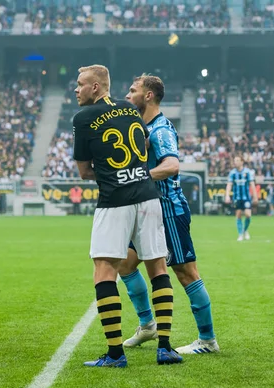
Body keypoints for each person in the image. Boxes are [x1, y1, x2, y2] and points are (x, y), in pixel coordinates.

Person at [72, 65, 182, 367]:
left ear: (96, 87)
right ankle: (165, 347)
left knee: (104, 269)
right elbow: (144, 144)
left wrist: (112, 173)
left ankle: (115, 353)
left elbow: (84, 172)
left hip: (114, 199)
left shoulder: (82, 118)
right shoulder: (130, 109)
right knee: (158, 266)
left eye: (80, 84)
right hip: (148, 195)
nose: (76, 89)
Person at [121, 74, 219, 354]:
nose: (128, 95)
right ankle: (147, 325)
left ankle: (208, 339)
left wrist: (136, 177)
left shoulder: (160, 129)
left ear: (148, 95)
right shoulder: (141, 127)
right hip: (146, 210)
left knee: (186, 272)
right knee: (125, 265)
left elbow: (172, 165)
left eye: (133, 90)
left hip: (168, 210)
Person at [224, 156, 258, 241]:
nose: (235, 162)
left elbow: (252, 185)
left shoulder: (247, 172)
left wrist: (255, 197)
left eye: (237, 160)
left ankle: (245, 230)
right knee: (238, 215)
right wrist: (227, 195)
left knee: (248, 215)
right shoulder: (232, 173)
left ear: (242, 162)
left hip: (246, 197)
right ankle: (240, 234)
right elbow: (229, 185)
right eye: (235, 160)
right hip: (237, 198)